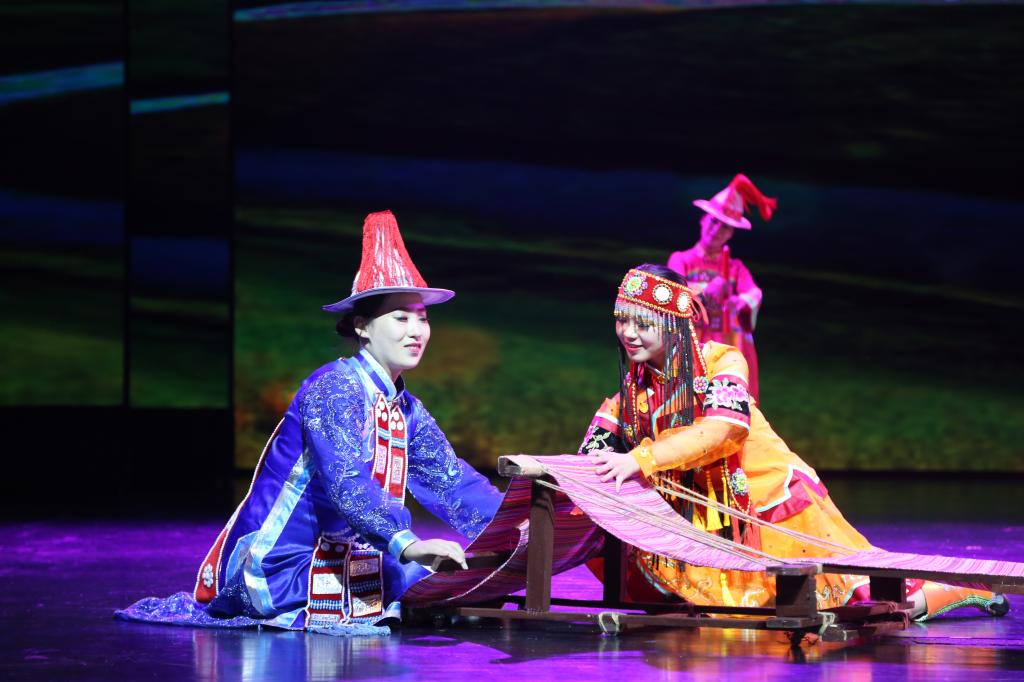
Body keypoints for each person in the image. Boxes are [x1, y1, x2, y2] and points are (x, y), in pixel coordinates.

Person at [118, 210, 503, 635]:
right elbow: (346, 481)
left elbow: (450, 481)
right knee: (424, 587)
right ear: (362, 327)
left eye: (422, 318)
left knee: (462, 585)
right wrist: (409, 545)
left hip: (355, 554)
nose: (416, 331)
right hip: (283, 561)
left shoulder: (404, 407)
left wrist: (520, 526)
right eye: (401, 317)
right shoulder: (333, 388)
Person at [579, 263, 1007, 620]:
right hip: (709, 521)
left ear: (674, 323)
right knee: (731, 612)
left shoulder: (721, 361)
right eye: (622, 320)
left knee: (865, 601)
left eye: (643, 323)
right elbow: (593, 451)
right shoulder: (631, 395)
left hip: (772, 505)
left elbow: (724, 429)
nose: (628, 333)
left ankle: (959, 589)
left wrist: (642, 457)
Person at [667, 174, 772, 401]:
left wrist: (741, 301)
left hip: (729, 343)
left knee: (730, 403)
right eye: (714, 221)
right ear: (703, 220)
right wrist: (706, 293)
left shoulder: (735, 268)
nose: (717, 230)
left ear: (731, 233)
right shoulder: (681, 260)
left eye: (725, 227)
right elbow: (675, 294)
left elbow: (754, 293)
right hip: (693, 342)